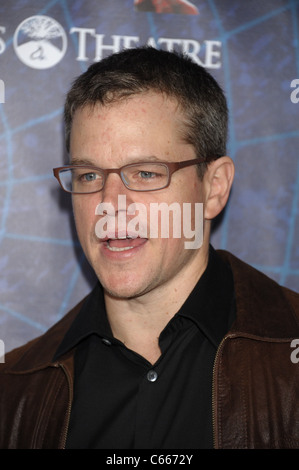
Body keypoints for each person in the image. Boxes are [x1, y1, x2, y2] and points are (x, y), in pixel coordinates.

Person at [0, 46, 298, 450]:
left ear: (213, 188)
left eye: (144, 173)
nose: (109, 203)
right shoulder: (17, 387)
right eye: (89, 175)